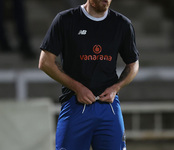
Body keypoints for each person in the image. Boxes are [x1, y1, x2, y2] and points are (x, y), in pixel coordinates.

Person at [39, 0, 139, 149]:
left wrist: (115, 88)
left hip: (109, 107)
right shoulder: (65, 20)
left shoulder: (122, 24)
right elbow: (45, 62)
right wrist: (77, 88)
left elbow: (133, 64)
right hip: (75, 105)